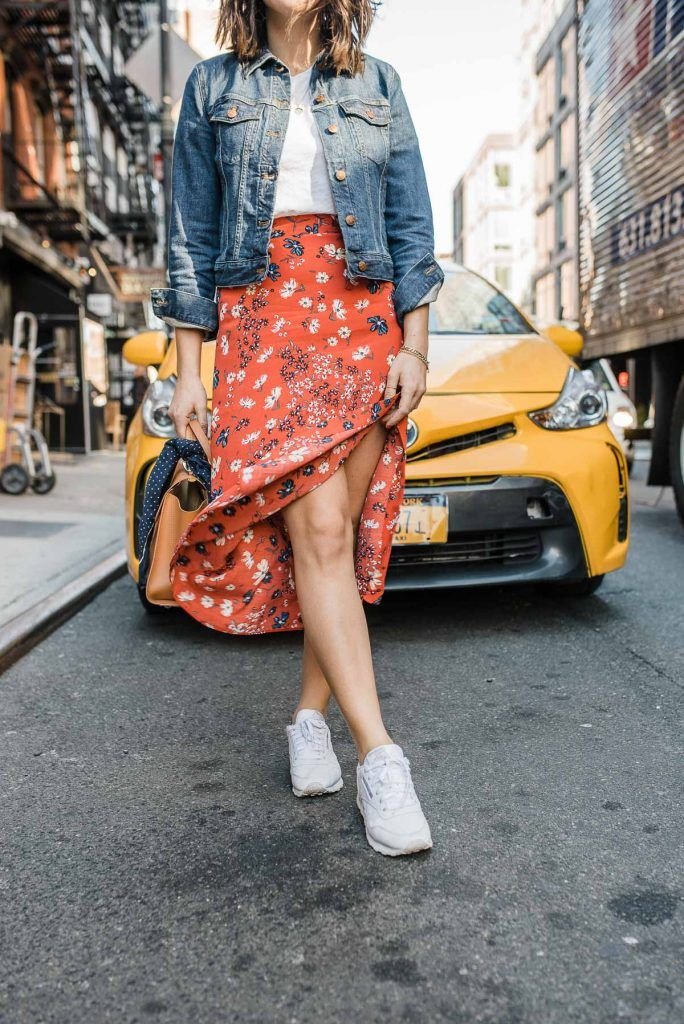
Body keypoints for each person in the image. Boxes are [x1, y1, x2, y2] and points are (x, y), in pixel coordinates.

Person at [150, 0, 444, 857]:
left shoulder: (377, 82)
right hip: (261, 320)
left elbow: (411, 224)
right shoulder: (213, 87)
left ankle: (308, 719)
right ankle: (381, 757)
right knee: (316, 526)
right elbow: (192, 240)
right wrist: (190, 371)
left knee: (337, 539)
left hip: (360, 318)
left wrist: (415, 349)